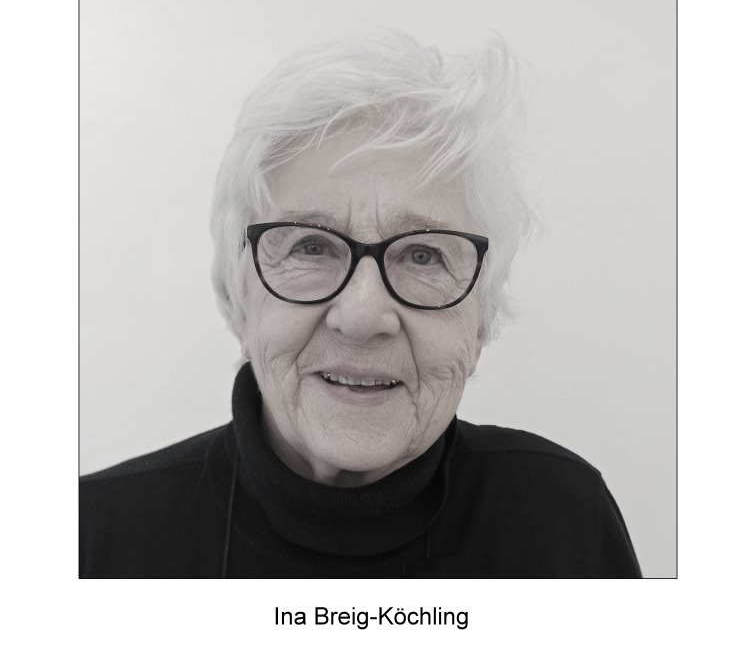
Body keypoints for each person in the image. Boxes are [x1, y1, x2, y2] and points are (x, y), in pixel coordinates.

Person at [80, 29, 642, 578]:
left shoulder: (562, 525)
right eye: (311, 247)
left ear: (481, 320)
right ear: (237, 295)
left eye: (422, 256)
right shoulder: (92, 540)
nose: (362, 317)